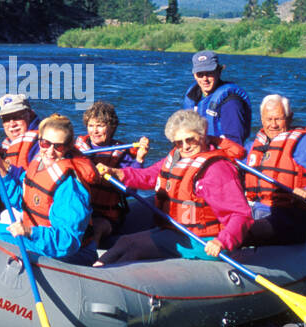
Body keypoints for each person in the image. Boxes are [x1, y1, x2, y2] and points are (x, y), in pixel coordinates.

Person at [94, 110, 250, 265]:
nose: (185, 146)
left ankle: (103, 275)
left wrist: (222, 241)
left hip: (204, 241)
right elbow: (150, 175)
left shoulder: (217, 169)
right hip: (178, 232)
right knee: (125, 242)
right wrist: (117, 173)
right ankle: (96, 270)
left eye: (190, 140)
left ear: (202, 135)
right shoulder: (177, 156)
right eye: (178, 142)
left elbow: (241, 214)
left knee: (133, 248)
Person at [0, 113, 95, 263]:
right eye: (45, 143)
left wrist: (30, 231)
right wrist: (0, 167)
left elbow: (68, 241)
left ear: (68, 146)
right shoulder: (39, 165)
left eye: (58, 146)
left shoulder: (70, 186)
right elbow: (19, 199)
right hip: (42, 240)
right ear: (39, 141)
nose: (50, 151)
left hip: (71, 253)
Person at [241, 94, 306, 246]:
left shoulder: (305, 143)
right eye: (268, 119)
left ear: (290, 118)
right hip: (256, 211)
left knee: (239, 232)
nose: (273, 125)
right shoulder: (252, 147)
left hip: (291, 217)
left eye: (279, 119)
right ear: (262, 119)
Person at [74, 101, 148, 246]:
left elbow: (130, 190)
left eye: (100, 126)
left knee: (96, 227)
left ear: (112, 127)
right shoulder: (76, 149)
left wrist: (139, 159)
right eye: (91, 126)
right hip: (80, 209)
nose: (94, 131)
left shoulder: (121, 154)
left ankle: (89, 256)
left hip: (105, 216)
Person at [182, 50, 252, 148]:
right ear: (194, 75)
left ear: (218, 72)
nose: (205, 79)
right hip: (199, 151)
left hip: (222, 156)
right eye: (200, 74)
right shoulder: (193, 96)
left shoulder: (231, 103)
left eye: (209, 73)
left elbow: (235, 146)